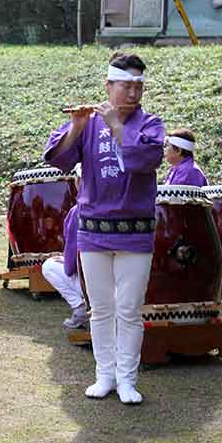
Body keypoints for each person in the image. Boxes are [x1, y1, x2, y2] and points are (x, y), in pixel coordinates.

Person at [44, 52, 164, 405]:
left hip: (135, 232)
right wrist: (77, 128)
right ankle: (104, 376)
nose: (132, 93)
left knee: (129, 308)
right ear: (108, 85)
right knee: (100, 308)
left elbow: (147, 159)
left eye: (138, 86)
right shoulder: (89, 123)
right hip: (93, 231)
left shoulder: (150, 124)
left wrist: (116, 126)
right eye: (125, 85)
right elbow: (59, 159)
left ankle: (127, 379)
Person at [41, 164, 88, 329]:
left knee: (49, 266)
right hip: (124, 285)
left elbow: (69, 268)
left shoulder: (78, 212)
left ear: (78, 182)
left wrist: (68, 260)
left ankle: (80, 307)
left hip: (93, 287)